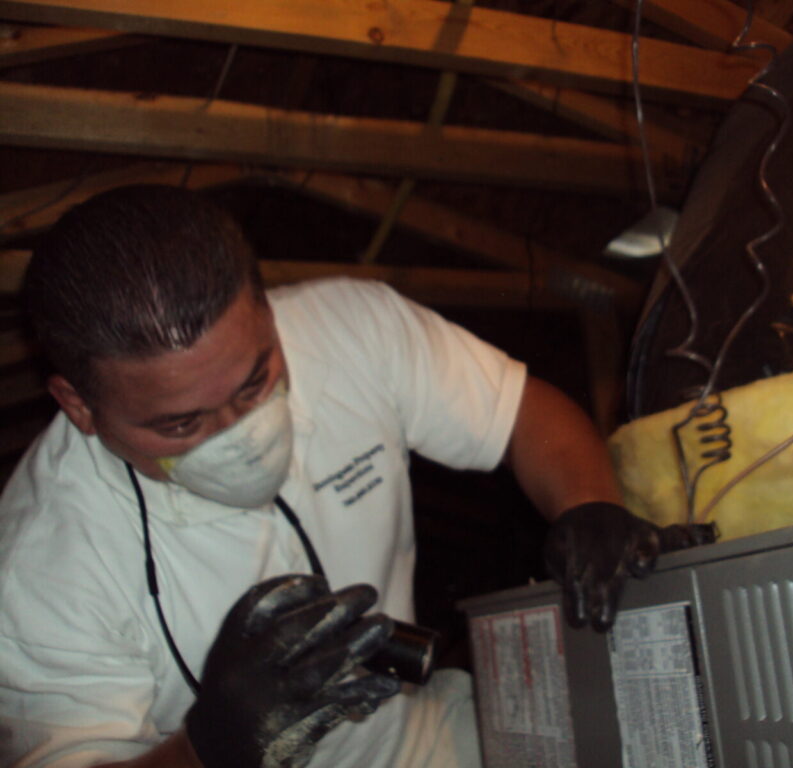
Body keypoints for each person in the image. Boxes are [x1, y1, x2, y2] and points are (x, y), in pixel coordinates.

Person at [0, 186, 669, 768]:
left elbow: (520, 412)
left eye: (256, 381)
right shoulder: (41, 561)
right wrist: (208, 749)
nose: (238, 431)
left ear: (267, 312)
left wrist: (588, 505)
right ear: (79, 406)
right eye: (180, 425)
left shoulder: (352, 327)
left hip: (425, 738)